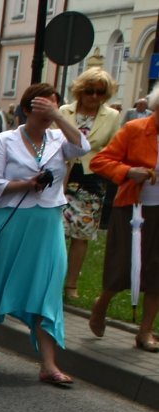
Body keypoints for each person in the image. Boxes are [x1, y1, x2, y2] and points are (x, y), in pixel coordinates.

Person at [0, 85, 89, 385]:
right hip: (14, 219)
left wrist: (59, 116)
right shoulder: (5, 140)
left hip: (48, 222)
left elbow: (83, 147)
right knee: (0, 278)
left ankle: (48, 364)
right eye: (42, 106)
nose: (47, 111)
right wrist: (24, 184)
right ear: (26, 109)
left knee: (48, 287)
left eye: (53, 105)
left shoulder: (60, 139)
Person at [88, 82, 159, 351]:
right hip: (134, 210)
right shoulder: (135, 129)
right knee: (123, 265)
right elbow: (100, 161)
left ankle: (145, 332)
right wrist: (129, 172)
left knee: (157, 271)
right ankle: (101, 304)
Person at [58, 68, 120, 299]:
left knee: (81, 233)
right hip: (61, 176)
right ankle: (51, 278)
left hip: (91, 181)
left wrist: (98, 156)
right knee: (56, 231)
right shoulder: (65, 111)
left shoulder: (112, 116)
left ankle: (71, 283)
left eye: (100, 92)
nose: (94, 97)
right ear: (80, 91)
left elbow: (115, 148)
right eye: (90, 91)